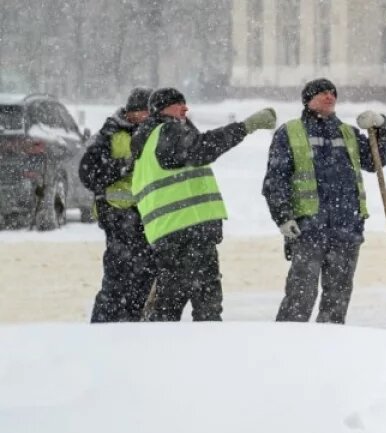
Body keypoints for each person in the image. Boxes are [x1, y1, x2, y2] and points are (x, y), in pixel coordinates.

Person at [131, 87, 276, 322]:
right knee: (206, 303)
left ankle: (157, 344)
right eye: (178, 104)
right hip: (187, 232)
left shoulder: (146, 144)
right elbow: (203, 148)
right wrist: (246, 126)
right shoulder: (167, 131)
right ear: (162, 109)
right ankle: (206, 349)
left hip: (170, 234)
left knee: (170, 303)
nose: (185, 108)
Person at [262, 77, 386, 324]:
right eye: (322, 92)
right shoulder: (290, 133)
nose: (329, 96)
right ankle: (285, 346)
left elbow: (378, 159)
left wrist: (382, 126)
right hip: (308, 229)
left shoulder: (348, 133)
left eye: (332, 93)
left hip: (346, 229)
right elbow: (275, 181)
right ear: (308, 100)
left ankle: (330, 349)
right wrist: (283, 217)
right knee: (300, 296)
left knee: (338, 297)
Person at [79, 87, 157, 322]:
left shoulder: (158, 132)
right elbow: (89, 173)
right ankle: (105, 326)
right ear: (132, 112)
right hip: (118, 216)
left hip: (150, 217)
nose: (149, 117)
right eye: (146, 112)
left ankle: (134, 324)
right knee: (118, 277)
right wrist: (123, 165)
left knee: (147, 277)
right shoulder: (110, 133)